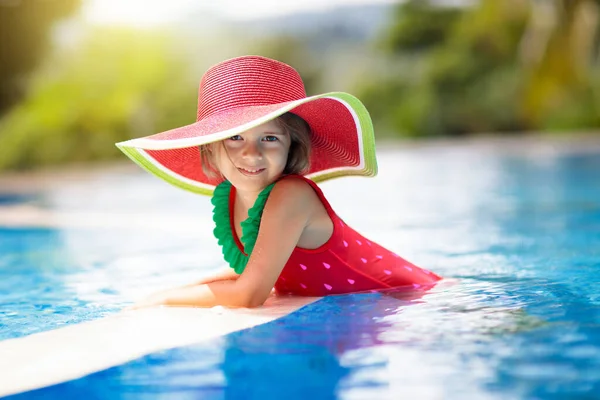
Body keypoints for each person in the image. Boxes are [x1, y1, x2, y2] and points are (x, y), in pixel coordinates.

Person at [116, 55, 441, 309]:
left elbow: (250, 293)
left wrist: (160, 301)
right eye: (235, 137)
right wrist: (166, 292)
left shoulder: (291, 195)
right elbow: (254, 270)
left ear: (292, 147)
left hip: (415, 299)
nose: (251, 153)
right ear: (210, 149)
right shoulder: (230, 196)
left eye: (269, 138)